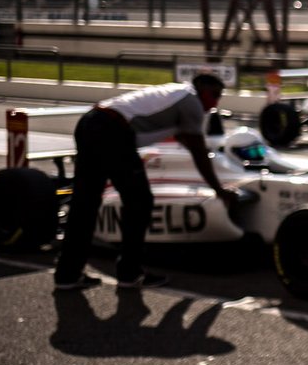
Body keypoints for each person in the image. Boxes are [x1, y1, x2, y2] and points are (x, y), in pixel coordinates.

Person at [54, 73, 239, 291]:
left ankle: (67, 274)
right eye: (213, 95)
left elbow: (186, 142)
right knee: (139, 202)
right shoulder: (191, 103)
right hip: (113, 130)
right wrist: (219, 190)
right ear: (201, 88)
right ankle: (130, 273)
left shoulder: (177, 93)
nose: (215, 103)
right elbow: (199, 151)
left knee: (85, 203)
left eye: (219, 97)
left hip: (91, 122)